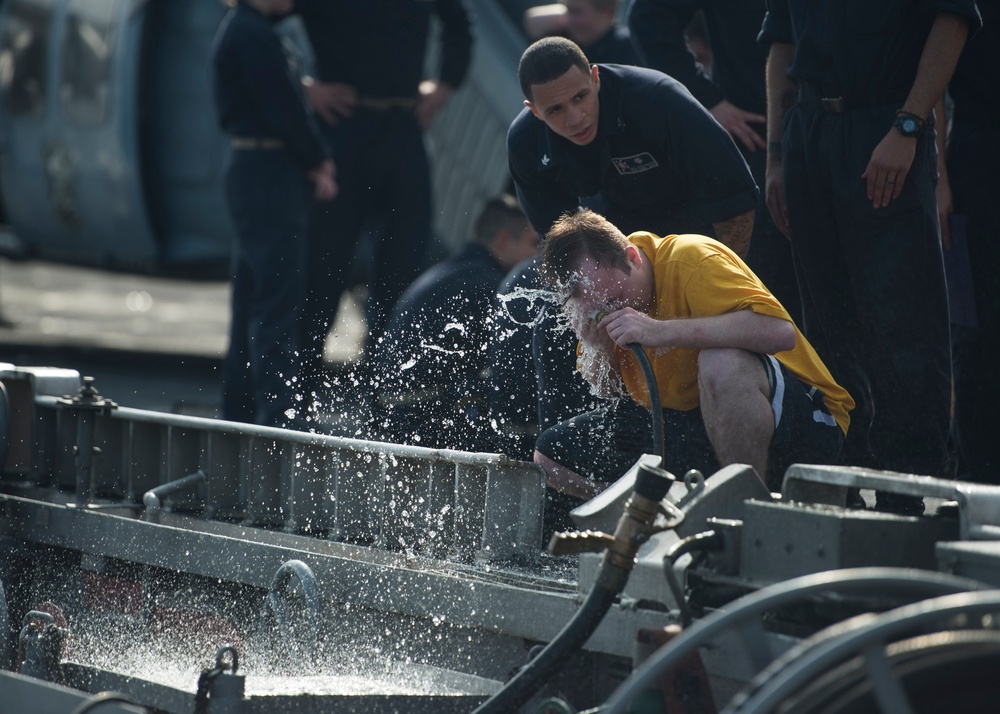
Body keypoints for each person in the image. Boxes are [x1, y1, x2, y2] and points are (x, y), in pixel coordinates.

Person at [502, 37, 759, 513]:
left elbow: (738, 207)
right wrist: (589, 325)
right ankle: (581, 487)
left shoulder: (654, 99)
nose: (574, 117)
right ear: (534, 112)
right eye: (555, 110)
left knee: (711, 348)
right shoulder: (525, 142)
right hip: (617, 255)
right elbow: (560, 254)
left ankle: (724, 480)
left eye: (581, 98)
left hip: (696, 248)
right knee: (552, 323)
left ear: (596, 78)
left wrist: (703, 289)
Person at [759, 0, 981, 512]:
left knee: (905, 328)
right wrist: (775, 154)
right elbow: (780, 43)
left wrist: (909, 126)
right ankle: (842, 486)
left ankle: (911, 495)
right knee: (825, 328)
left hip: (887, 124)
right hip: (809, 132)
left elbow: (953, 21)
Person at [535, 209, 852, 498]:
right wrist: (599, 347)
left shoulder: (690, 258)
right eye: (597, 311)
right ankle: (652, 515)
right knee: (549, 454)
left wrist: (658, 330)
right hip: (702, 426)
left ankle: (742, 511)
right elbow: (612, 393)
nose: (611, 312)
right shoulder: (595, 301)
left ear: (633, 257)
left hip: (804, 422)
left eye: (617, 298)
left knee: (721, 362)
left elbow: (779, 333)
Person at [290, 0, 474, 389]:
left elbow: (459, 25)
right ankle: (301, 391)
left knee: (403, 265)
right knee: (324, 266)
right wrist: (302, 88)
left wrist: (444, 86)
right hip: (344, 128)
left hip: (403, 128)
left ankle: (385, 392)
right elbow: (254, 21)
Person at [627, 0, 801, 323]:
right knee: (766, 294)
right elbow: (648, 16)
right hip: (756, 135)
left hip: (856, 127)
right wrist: (707, 100)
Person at [212, 0, 336, 429]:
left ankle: (242, 410)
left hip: (259, 173)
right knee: (278, 296)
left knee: (253, 292)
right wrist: (317, 158)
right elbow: (284, 109)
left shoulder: (250, 30)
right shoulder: (252, 34)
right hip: (268, 174)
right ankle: (280, 415)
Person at [369, 196, 539, 451]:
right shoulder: (489, 285)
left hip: (391, 411)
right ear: (504, 240)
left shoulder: (455, 272)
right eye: (534, 244)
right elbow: (511, 369)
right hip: (416, 418)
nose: (538, 257)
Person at [934, 6, 998, 483]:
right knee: (977, 336)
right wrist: (937, 177)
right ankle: (978, 477)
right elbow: (933, 74)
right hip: (978, 165)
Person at [524, 0, 641, 66]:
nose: (568, 20)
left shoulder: (629, 47)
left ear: (607, 12)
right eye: (566, 10)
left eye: (576, 12)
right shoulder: (565, 37)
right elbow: (533, 20)